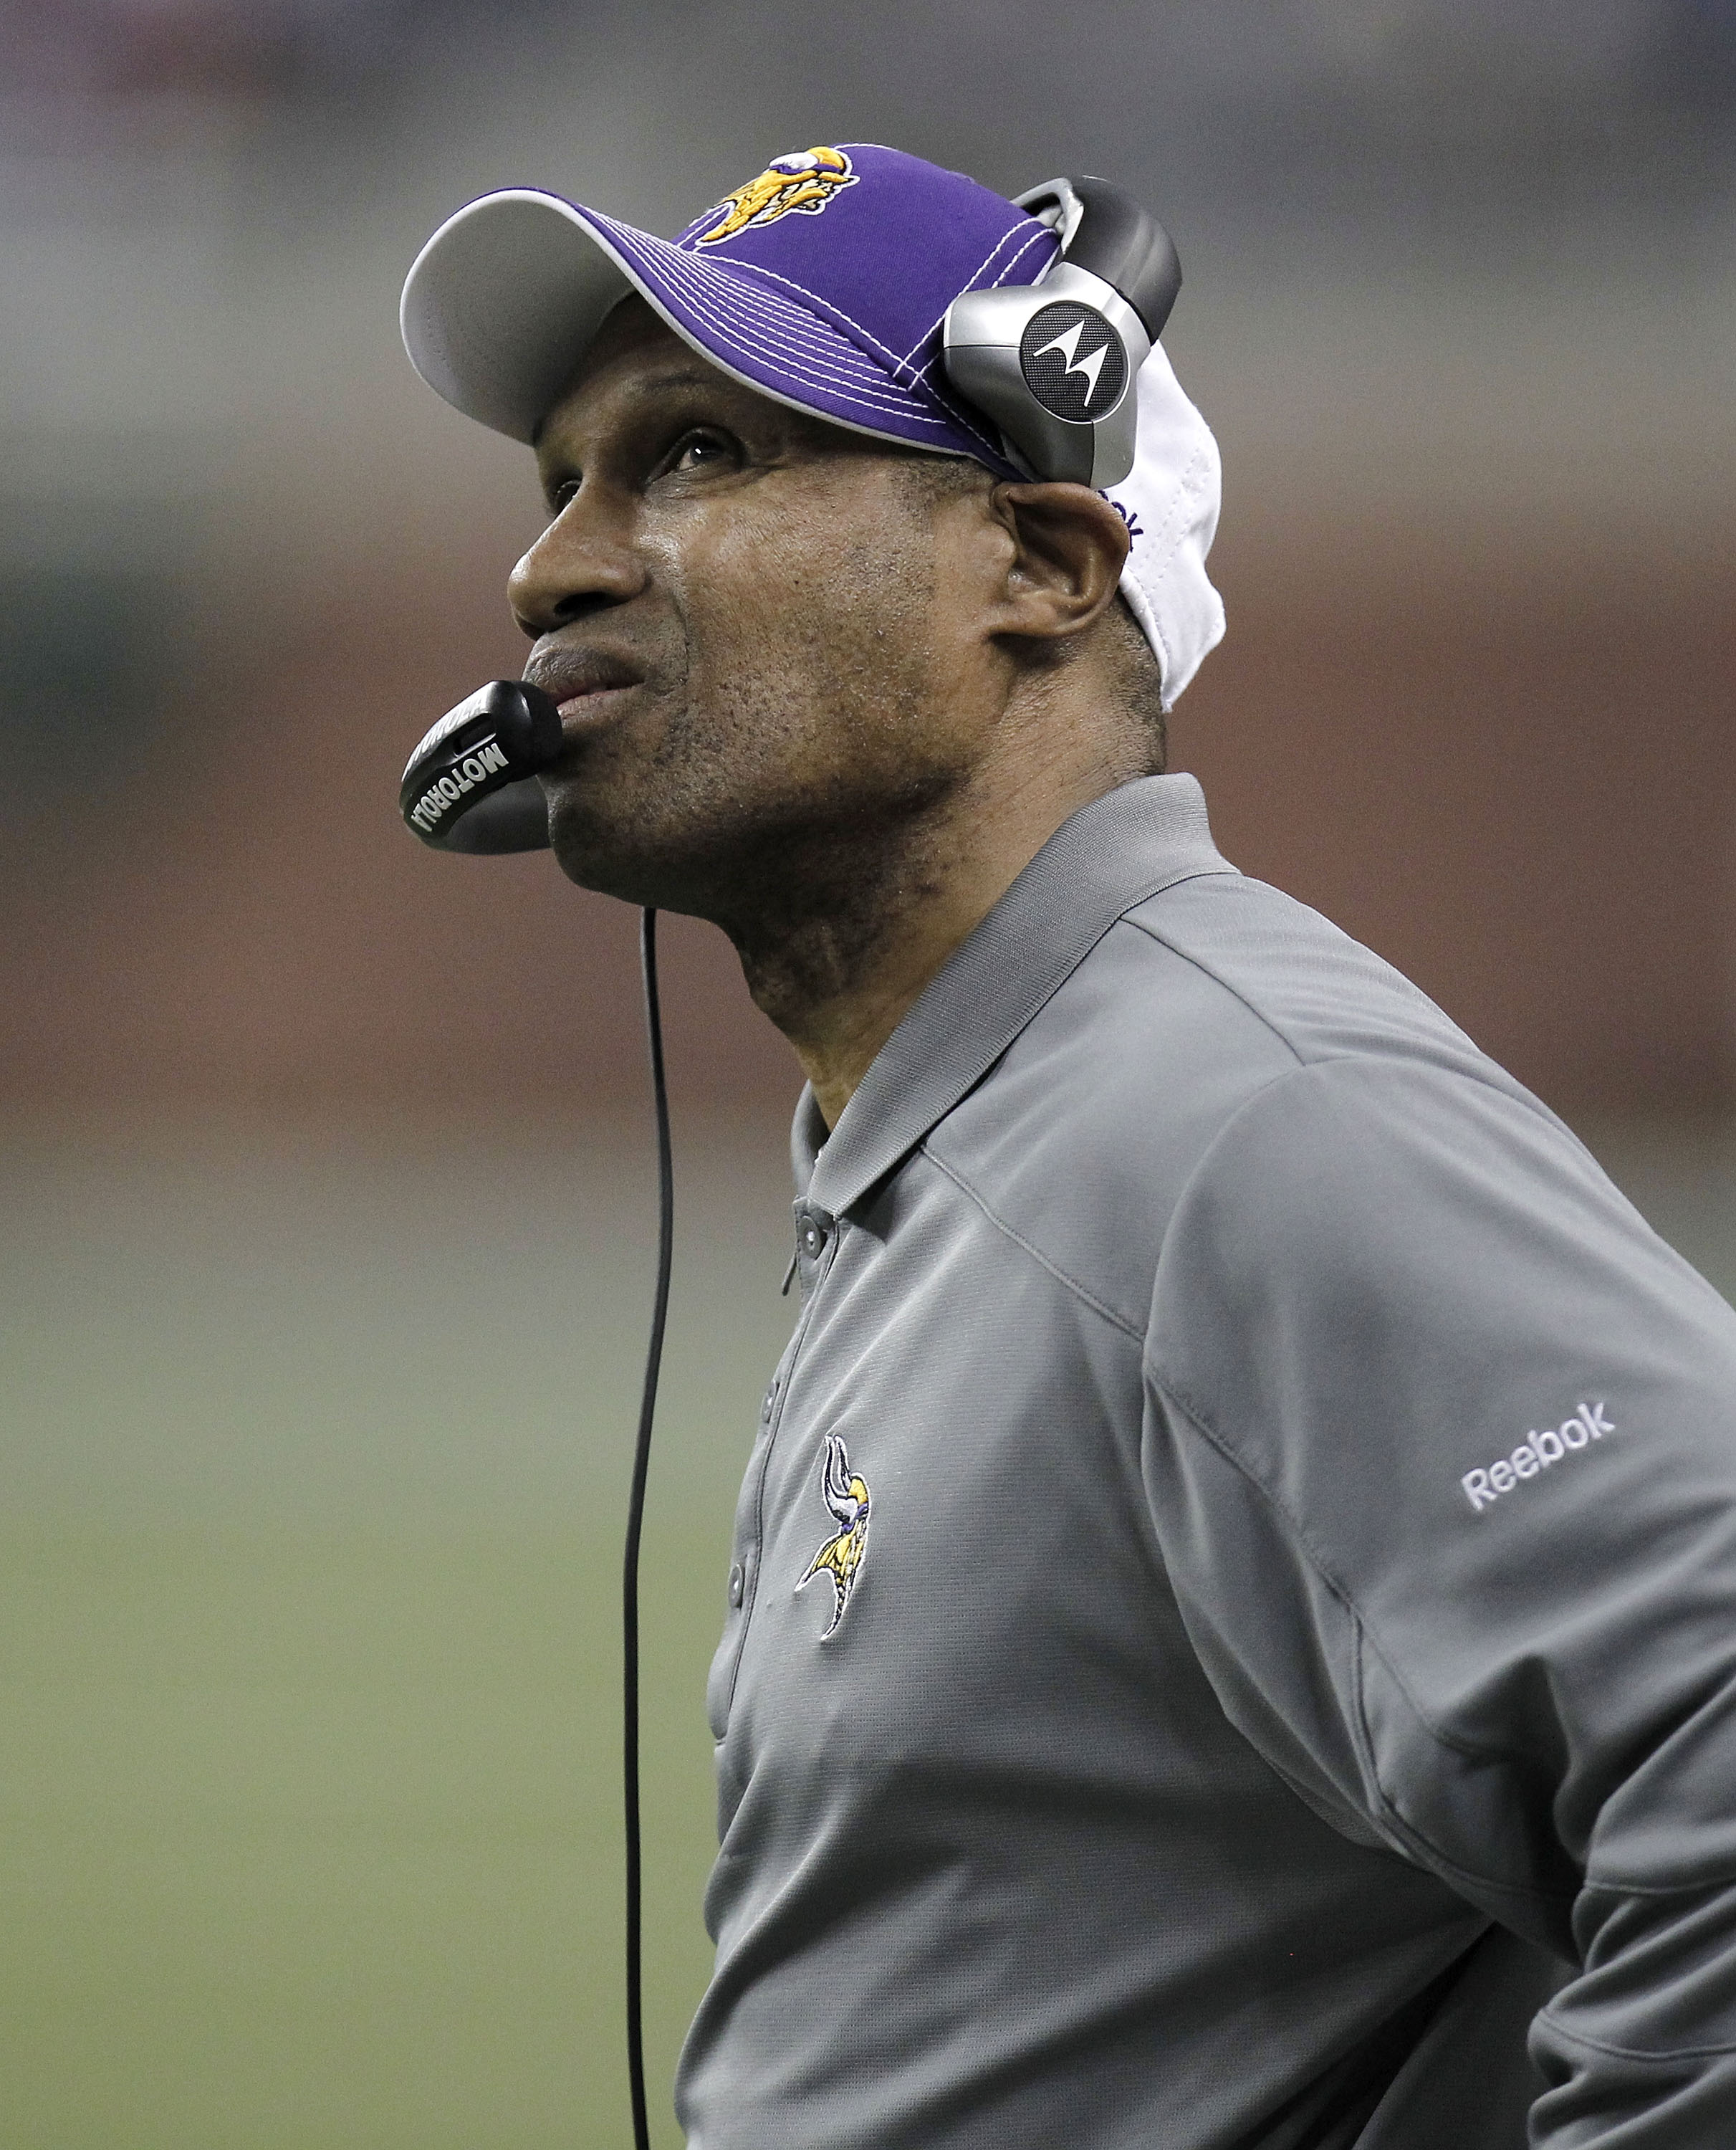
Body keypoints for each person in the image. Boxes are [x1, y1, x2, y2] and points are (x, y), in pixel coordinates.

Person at [399, 145, 1736, 2147]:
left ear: (1041, 562)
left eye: (691, 456)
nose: (552, 569)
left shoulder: (1243, 1122)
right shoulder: (977, 1125)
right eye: (559, 483)